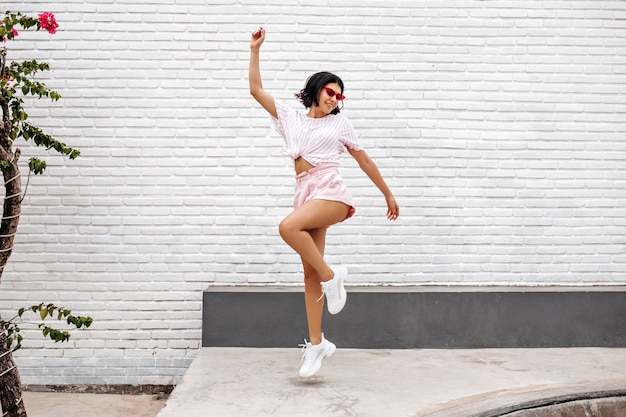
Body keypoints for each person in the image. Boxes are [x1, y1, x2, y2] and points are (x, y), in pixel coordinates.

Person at [249, 27, 399, 378]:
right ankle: (317, 344)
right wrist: (255, 49)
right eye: (331, 92)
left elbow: (364, 160)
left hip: (330, 189)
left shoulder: (341, 124)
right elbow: (255, 90)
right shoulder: (291, 118)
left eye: (340, 96)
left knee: (288, 227)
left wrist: (388, 193)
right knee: (308, 271)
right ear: (317, 91)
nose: (335, 99)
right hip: (305, 190)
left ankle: (334, 276)